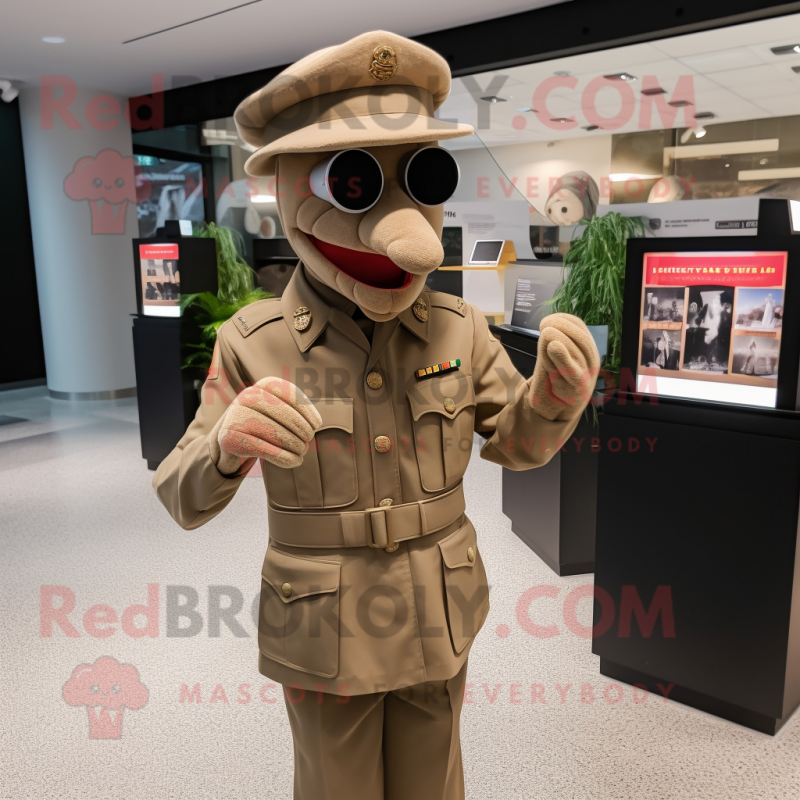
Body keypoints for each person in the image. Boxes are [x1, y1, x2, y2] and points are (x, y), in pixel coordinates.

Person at [153, 31, 599, 800]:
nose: (406, 231)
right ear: (290, 185)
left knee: (436, 783)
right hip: (325, 631)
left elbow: (518, 446)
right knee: (338, 788)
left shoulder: (459, 327)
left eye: (421, 177)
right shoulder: (252, 344)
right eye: (354, 181)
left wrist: (554, 399)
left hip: (438, 610)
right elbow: (180, 494)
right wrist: (225, 445)